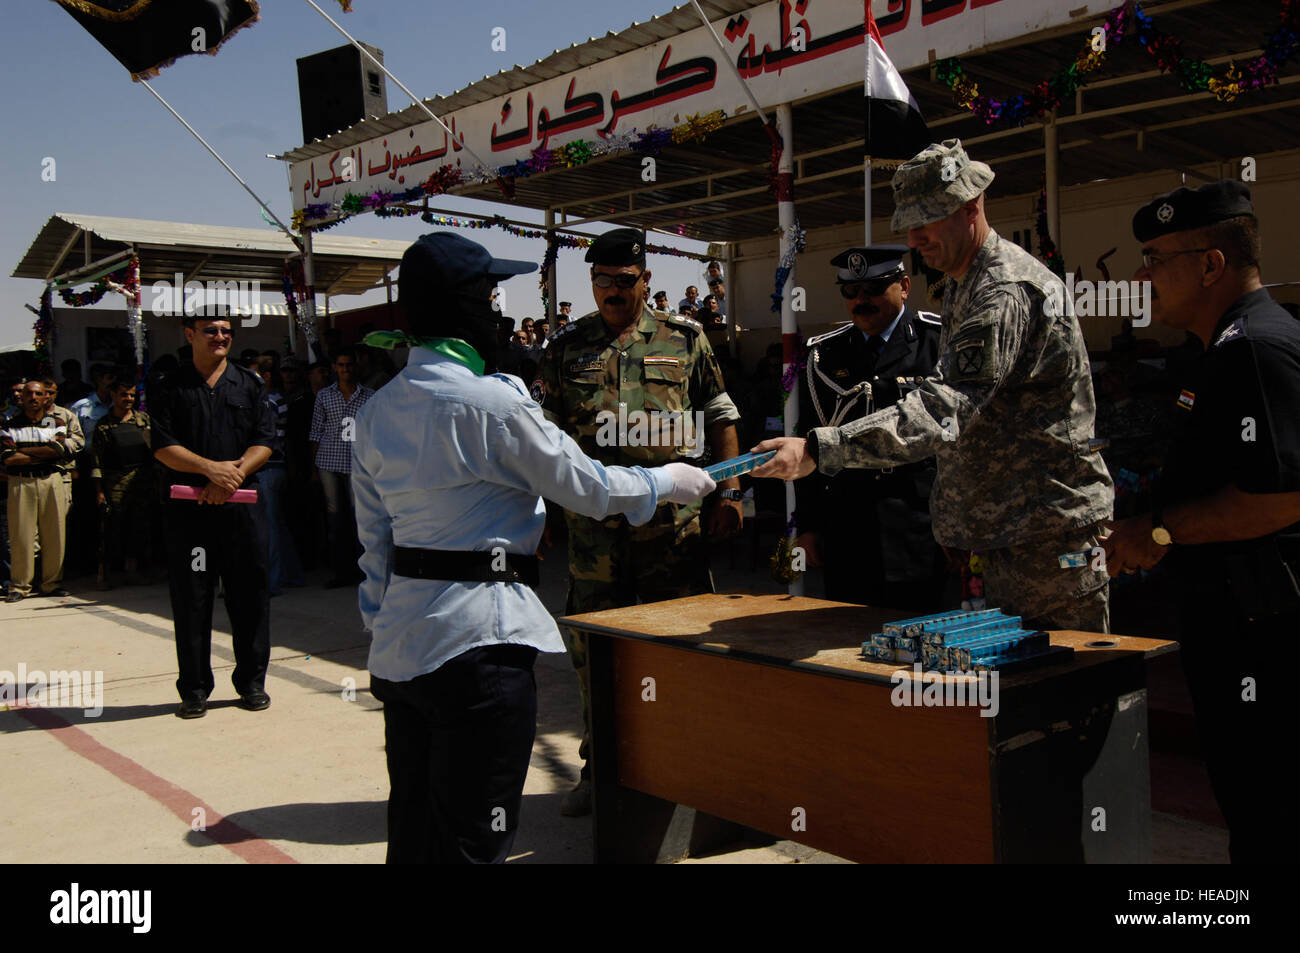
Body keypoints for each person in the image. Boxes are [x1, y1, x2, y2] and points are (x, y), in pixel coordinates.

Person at [351, 231, 717, 863]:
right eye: (491, 295)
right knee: (477, 840)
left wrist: (384, 625)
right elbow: (590, 487)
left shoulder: (377, 410)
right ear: (465, 304)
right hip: (480, 649)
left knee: (415, 832)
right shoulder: (496, 403)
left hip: (401, 651)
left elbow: (373, 544)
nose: (498, 310)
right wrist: (666, 480)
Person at [755, 139, 1113, 632]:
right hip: (1006, 533)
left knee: (1061, 684)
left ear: (970, 209)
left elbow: (946, 409)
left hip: (1044, 537)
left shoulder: (1003, 291)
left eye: (926, 221)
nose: (915, 238)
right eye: (908, 224)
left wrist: (823, 448)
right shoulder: (966, 282)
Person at [1103, 181, 1300, 863]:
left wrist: (1152, 532)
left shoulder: (1253, 350)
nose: (1140, 275)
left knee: (1271, 818)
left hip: (1266, 644)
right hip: (1238, 634)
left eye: (1155, 258)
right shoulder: (1222, 351)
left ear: (1211, 264)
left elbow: (1279, 499)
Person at [533, 227, 744, 816]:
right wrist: (541, 511)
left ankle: (679, 771)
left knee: (675, 652)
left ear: (645, 279)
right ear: (592, 282)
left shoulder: (685, 339)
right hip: (594, 537)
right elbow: (542, 438)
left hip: (670, 535)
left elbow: (720, 413)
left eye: (625, 282)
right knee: (593, 654)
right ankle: (600, 769)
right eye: (603, 282)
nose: (614, 292)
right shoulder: (565, 346)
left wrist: (730, 491)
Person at [793, 246, 946, 611]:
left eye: (875, 289)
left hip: (922, 525)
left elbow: (961, 441)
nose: (862, 300)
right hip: (849, 527)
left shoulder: (937, 341)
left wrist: (961, 526)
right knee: (849, 647)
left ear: (904, 286)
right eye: (851, 292)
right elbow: (809, 444)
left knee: (925, 644)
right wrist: (809, 525)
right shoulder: (823, 355)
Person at [151, 314, 275, 719]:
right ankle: (195, 689)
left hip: (241, 511)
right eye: (211, 330)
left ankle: (252, 683)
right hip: (191, 514)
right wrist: (210, 470)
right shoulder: (169, 386)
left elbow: (265, 441)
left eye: (226, 331)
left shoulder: (250, 383)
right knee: (192, 599)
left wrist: (233, 474)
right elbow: (163, 446)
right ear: (190, 335)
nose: (220, 337)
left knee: (250, 597)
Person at [2, 381, 82, 601]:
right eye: (29, 394)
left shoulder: (55, 422)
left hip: (51, 480)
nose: (34, 398)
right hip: (21, 483)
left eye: (39, 394)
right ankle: (19, 586)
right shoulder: (10, 423)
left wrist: (23, 451)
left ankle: (51, 583)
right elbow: (8, 457)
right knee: (21, 536)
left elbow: (57, 450)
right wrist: (41, 452)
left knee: (55, 534)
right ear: (22, 397)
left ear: (46, 397)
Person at [309, 347, 373, 588]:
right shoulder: (324, 395)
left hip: (359, 464)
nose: (345, 369)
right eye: (341, 365)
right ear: (335, 368)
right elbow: (315, 432)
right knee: (335, 520)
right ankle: (341, 572)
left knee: (361, 519)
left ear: (355, 367)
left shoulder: (370, 396)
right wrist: (313, 468)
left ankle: (364, 571)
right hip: (329, 462)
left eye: (349, 364)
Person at [91, 378, 154, 588]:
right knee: (110, 530)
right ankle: (105, 574)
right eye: (124, 395)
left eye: (132, 395)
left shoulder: (143, 420)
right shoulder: (104, 425)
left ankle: (133, 570)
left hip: (141, 483)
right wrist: (99, 491)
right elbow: (97, 461)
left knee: (138, 528)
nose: (128, 399)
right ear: (113, 396)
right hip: (114, 483)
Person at [253, 356, 303, 595]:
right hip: (276, 467)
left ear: (266, 376)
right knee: (278, 524)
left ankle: (272, 581)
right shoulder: (277, 400)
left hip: (269, 467)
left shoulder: (268, 402)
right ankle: (292, 574)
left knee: (270, 526)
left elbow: (264, 437)